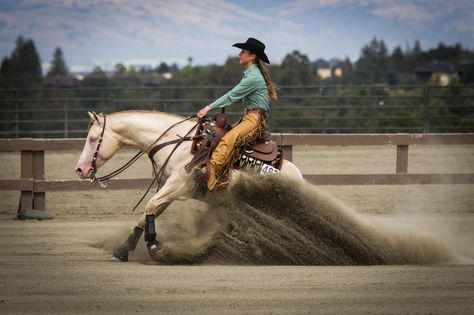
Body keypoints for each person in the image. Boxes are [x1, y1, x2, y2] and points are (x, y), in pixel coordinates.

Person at [197, 37, 277, 190]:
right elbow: (235, 97)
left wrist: (208, 108)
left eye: (243, 52)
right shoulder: (250, 74)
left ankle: (211, 174)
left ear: (252, 56)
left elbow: (230, 96)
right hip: (249, 117)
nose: (239, 54)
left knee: (229, 138)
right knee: (218, 134)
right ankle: (225, 174)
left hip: (254, 120)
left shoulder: (252, 77)